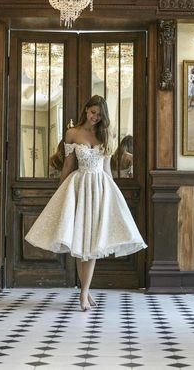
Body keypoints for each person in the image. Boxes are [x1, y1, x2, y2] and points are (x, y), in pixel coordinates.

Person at [25, 95, 147, 311]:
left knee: (91, 244)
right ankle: (85, 292)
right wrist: (60, 193)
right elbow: (68, 165)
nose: (95, 118)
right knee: (81, 244)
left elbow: (107, 169)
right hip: (79, 188)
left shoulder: (106, 135)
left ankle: (83, 292)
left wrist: (112, 195)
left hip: (100, 189)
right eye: (93, 113)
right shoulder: (72, 134)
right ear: (86, 110)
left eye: (99, 115)